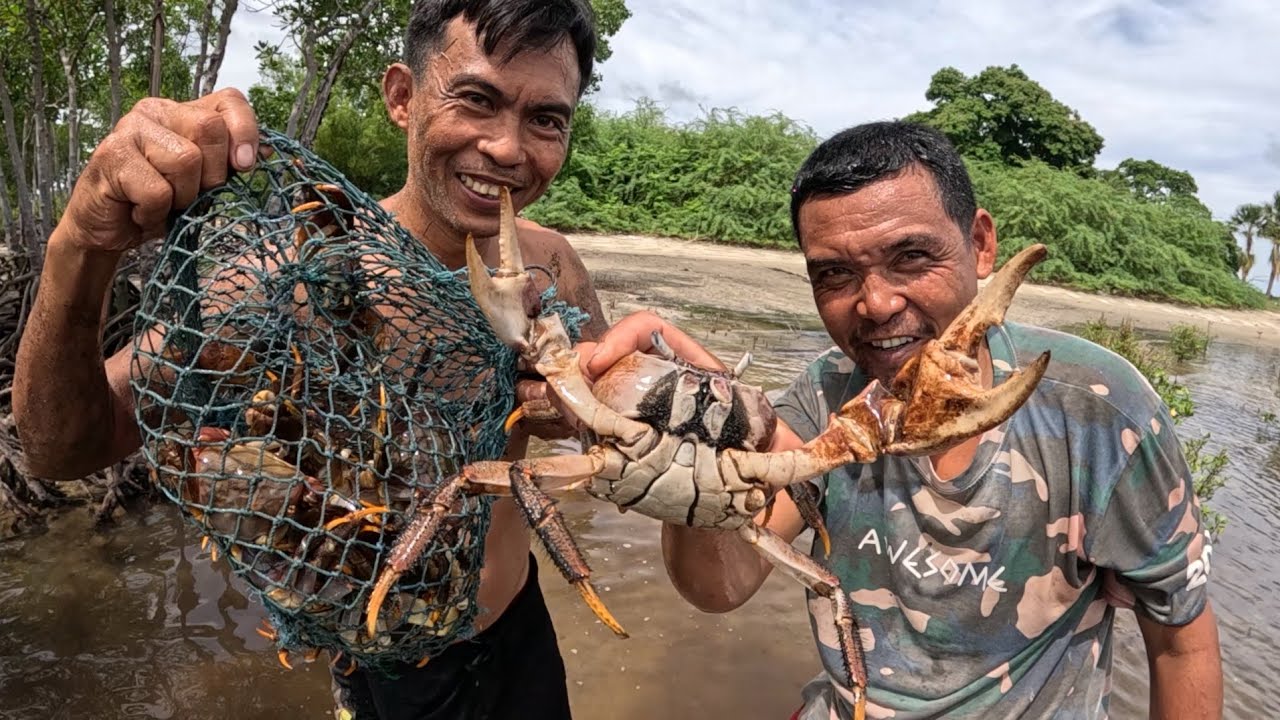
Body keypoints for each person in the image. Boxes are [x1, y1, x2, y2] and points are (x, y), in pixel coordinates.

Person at [12, 1, 609, 719]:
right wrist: (78, 246)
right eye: (477, 99)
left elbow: (604, 434)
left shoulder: (553, 265)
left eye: (546, 118)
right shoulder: (294, 276)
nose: (509, 148)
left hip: (518, 628)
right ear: (402, 96)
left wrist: (587, 414)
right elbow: (59, 449)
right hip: (384, 663)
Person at [580, 120, 1224, 719]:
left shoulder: (1098, 413)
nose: (876, 304)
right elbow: (720, 586)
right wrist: (700, 443)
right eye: (834, 274)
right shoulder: (826, 399)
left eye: (911, 258)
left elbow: (1180, 643)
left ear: (979, 245)